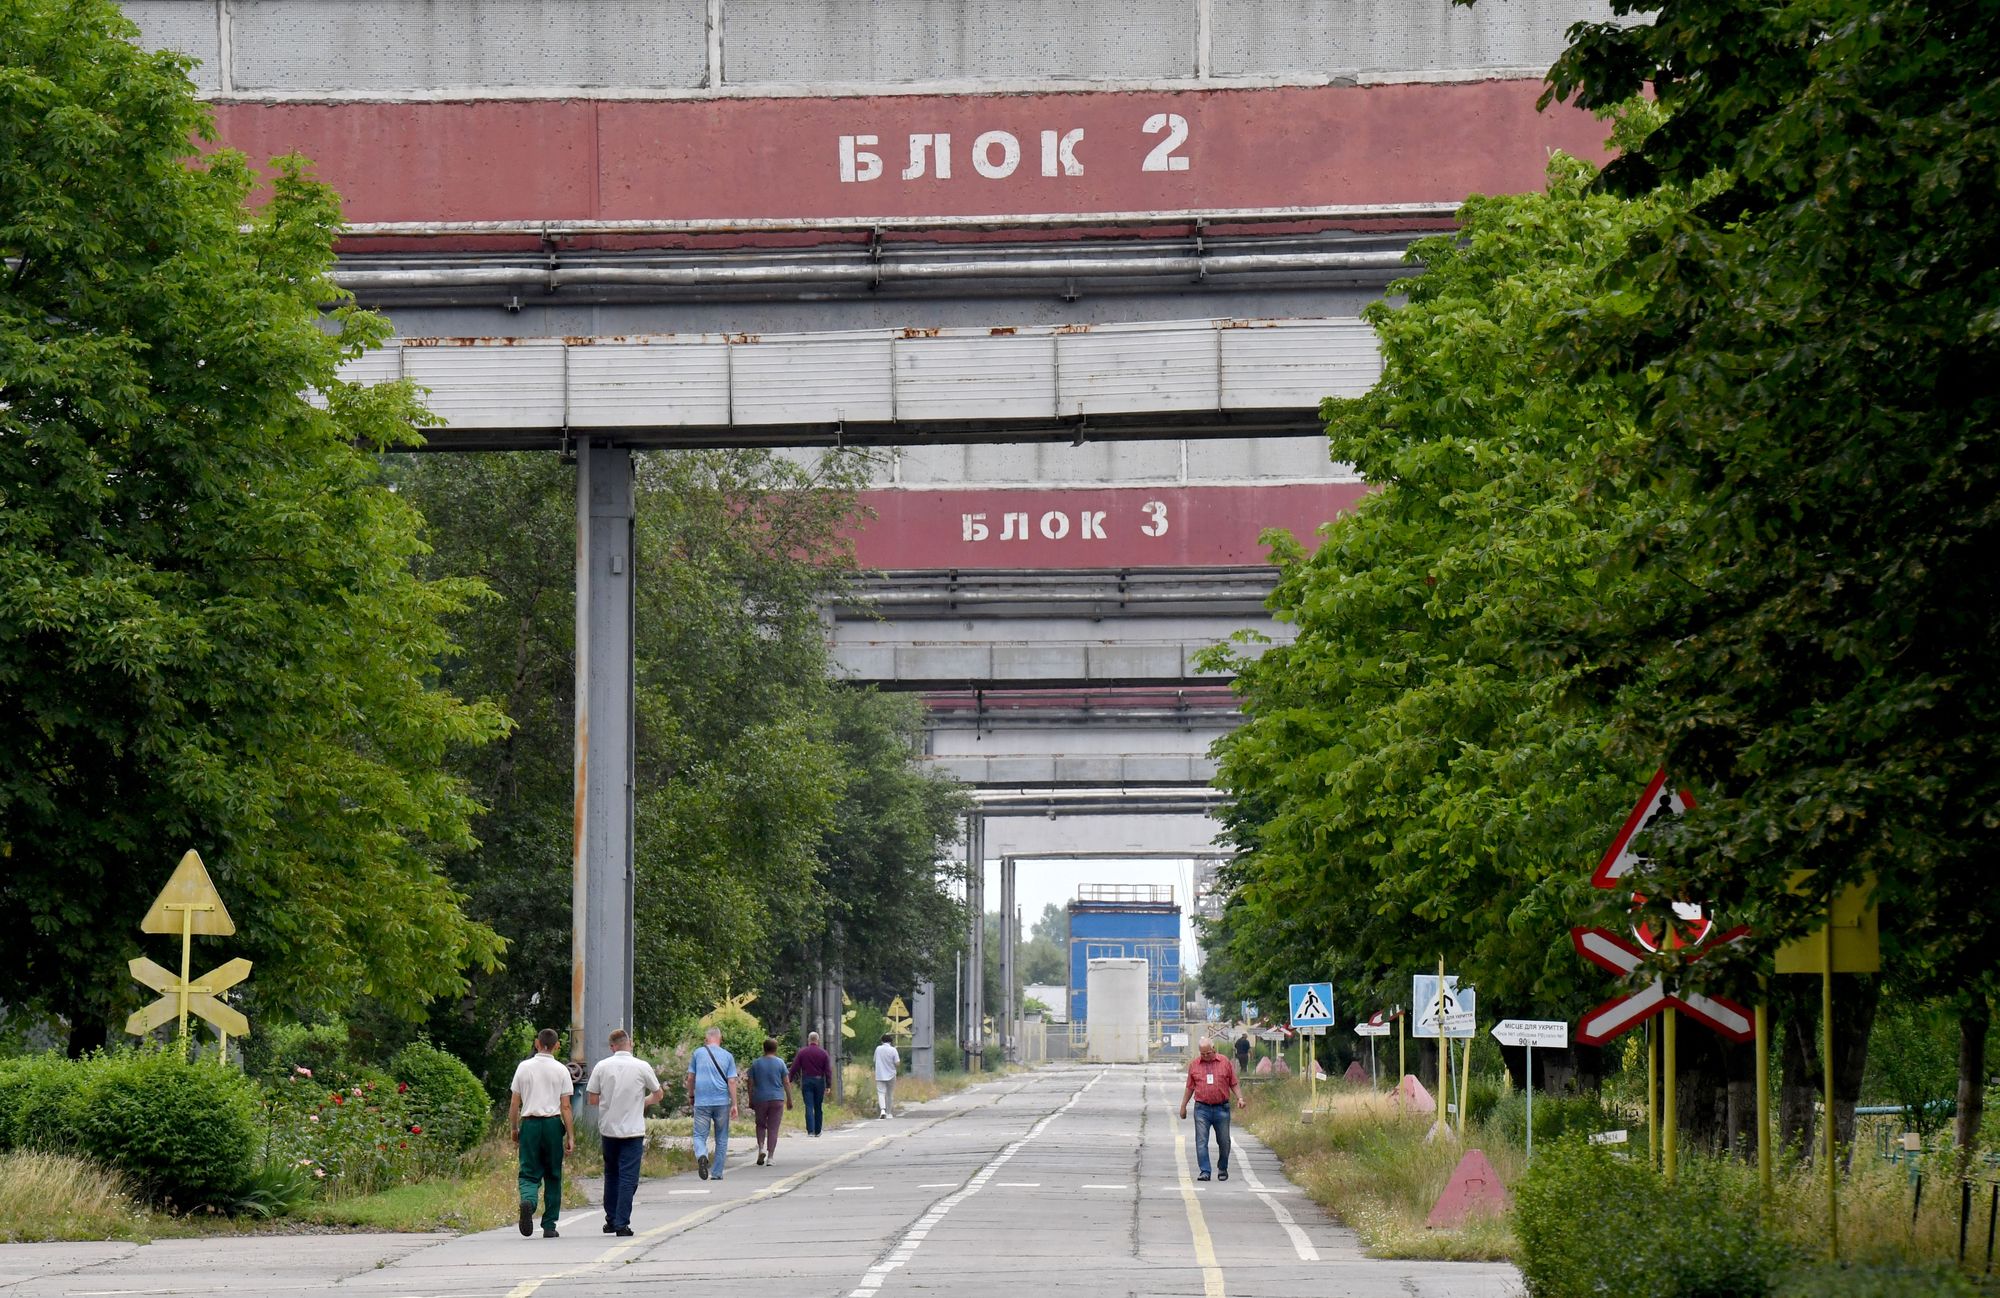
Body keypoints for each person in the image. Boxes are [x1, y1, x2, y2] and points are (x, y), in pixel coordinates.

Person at [585, 1028, 663, 1237]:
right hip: (632, 1131)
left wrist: (609, 1103)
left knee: (611, 1174)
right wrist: (642, 1103)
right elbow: (658, 1094)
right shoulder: (641, 1066)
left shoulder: (602, 1067)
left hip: (608, 1129)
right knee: (628, 1178)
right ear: (629, 1043)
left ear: (612, 1046)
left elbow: (592, 1099)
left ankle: (611, 1219)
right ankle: (621, 1222)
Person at [509, 1027, 575, 1237]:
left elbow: (514, 1102)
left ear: (537, 1043)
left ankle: (528, 1200)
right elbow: (566, 1106)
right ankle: (549, 1226)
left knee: (528, 1171)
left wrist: (514, 1128)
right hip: (553, 1125)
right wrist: (571, 1136)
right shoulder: (561, 1070)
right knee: (553, 1175)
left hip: (530, 1124)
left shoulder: (523, 1067)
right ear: (556, 1046)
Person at [1178, 1037, 1247, 1183]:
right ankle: (1205, 1171)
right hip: (1202, 1109)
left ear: (1214, 1049)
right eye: (1202, 1054)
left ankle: (1222, 1168)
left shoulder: (1224, 1062)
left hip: (1222, 1108)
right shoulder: (1194, 1065)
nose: (1205, 1056)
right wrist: (1183, 1106)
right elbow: (1190, 1087)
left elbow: (1233, 1083)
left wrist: (1240, 1098)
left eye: (1208, 1053)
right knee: (1201, 1141)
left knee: (1224, 1141)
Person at [685, 1026, 739, 1181]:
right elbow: (732, 1081)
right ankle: (717, 1173)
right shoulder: (728, 1056)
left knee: (699, 1135)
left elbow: (690, 1078)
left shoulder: (697, 1053)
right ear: (720, 1039)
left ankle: (702, 1155)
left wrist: (691, 1095)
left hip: (702, 1102)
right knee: (721, 1137)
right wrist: (734, 1104)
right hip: (722, 1102)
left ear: (706, 1039)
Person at [746, 1037, 792, 1166]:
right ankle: (770, 1157)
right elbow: (786, 1082)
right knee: (773, 1128)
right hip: (777, 1099)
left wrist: (751, 1098)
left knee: (760, 1125)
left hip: (760, 1098)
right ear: (775, 1049)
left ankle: (761, 1147)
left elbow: (750, 1082)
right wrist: (789, 1099)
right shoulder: (780, 1063)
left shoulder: (756, 1063)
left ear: (764, 1048)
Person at [789, 1031, 833, 1136]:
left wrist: (789, 1079)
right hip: (819, 1082)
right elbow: (828, 1071)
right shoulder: (823, 1053)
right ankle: (818, 1130)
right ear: (817, 1040)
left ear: (809, 1040)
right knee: (818, 1106)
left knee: (808, 1105)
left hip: (807, 1081)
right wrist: (828, 1085)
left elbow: (794, 1067)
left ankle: (810, 1131)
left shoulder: (802, 1052)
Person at [872, 1032, 901, 1119]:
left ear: (882, 1041)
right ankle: (889, 1113)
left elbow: (874, 1060)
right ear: (891, 1042)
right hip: (891, 1074)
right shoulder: (893, 1050)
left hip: (880, 1074)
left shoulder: (878, 1049)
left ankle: (882, 1110)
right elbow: (897, 1063)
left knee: (881, 1093)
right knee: (890, 1094)